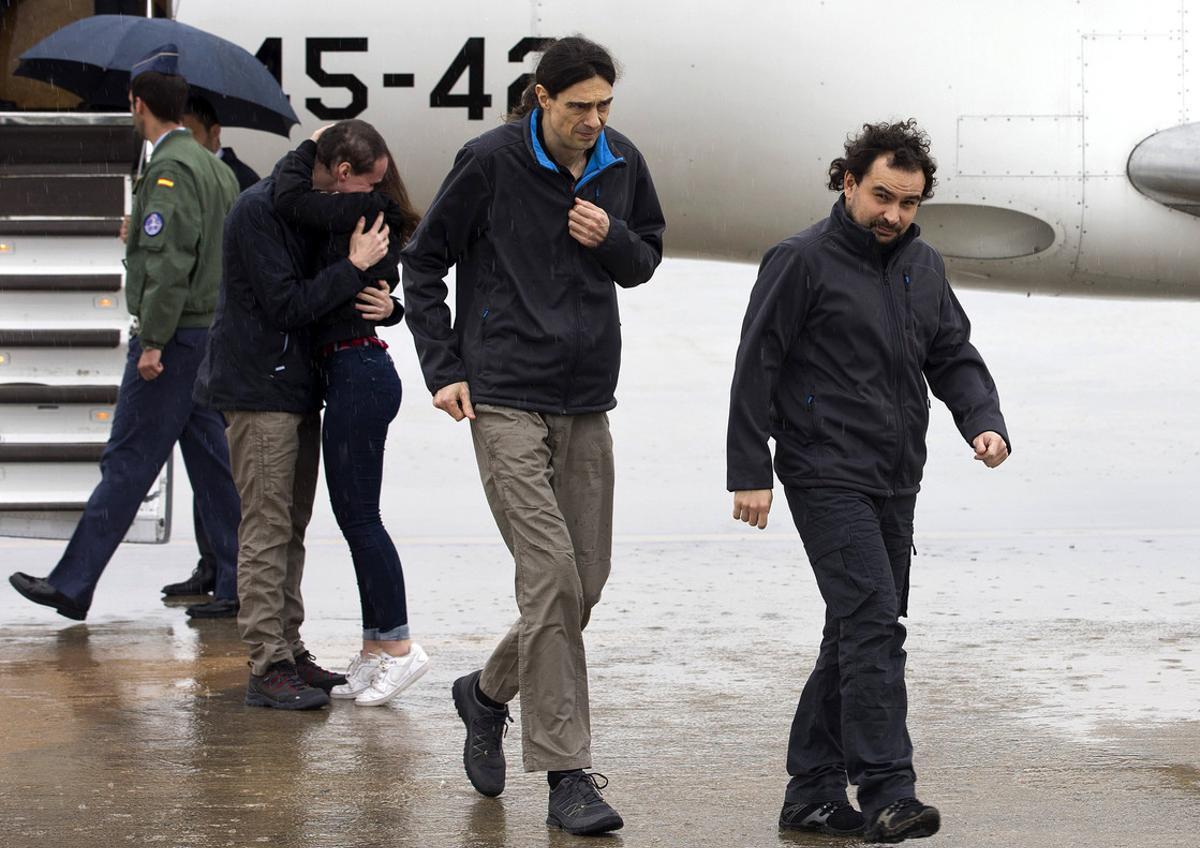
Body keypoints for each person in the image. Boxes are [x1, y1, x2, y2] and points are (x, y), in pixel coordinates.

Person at [401, 35, 665, 837]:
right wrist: (444, 365)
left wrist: (610, 238)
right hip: (505, 394)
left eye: (604, 106)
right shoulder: (488, 162)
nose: (594, 121)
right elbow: (424, 264)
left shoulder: (622, 163)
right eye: (580, 105)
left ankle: (482, 697)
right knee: (550, 576)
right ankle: (567, 774)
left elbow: (646, 255)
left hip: (586, 399)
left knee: (584, 583)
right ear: (542, 98)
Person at [726, 119, 1011, 843]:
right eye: (881, 196)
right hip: (823, 471)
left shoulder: (924, 267)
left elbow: (951, 353)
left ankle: (812, 793)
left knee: (859, 630)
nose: (893, 214)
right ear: (848, 182)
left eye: (908, 203)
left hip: (895, 474)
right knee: (873, 625)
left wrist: (983, 419)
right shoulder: (800, 261)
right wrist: (749, 470)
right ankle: (888, 792)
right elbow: (755, 365)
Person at [8, 44, 243, 623]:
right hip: (209, 337)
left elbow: (170, 263)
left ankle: (73, 582)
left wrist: (155, 341)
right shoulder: (215, 168)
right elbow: (207, 246)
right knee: (216, 468)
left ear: (138, 104)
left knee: (128, 462)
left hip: (174, 338)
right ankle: (243, 584)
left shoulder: (168, 168)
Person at [193, 115, 395, 711]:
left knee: (292, 526)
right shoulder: (261, 213)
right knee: (266, 527)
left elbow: (327, 297)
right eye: (367, 186)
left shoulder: (302, 208)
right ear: (339, 172)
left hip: (297, 386)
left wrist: (388, 302)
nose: (372, 201)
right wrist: (354, 268)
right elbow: (286, 304)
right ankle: (266, 664)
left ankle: (288, 645)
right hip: (260, 392)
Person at [271, 121, 430, 707]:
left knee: (362, 520)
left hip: (358, 373)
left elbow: (288, 199)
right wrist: (390, 307)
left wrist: (309, 145)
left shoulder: (354, 211)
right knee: (355, 518)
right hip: (355, 370)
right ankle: (373, 647)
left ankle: (398, 647)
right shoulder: (359, 216)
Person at [180, 94, 260, 191]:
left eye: (189, 134)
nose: (181, 142)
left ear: (214, 132)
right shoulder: (176, 173)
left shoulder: (243, 180)